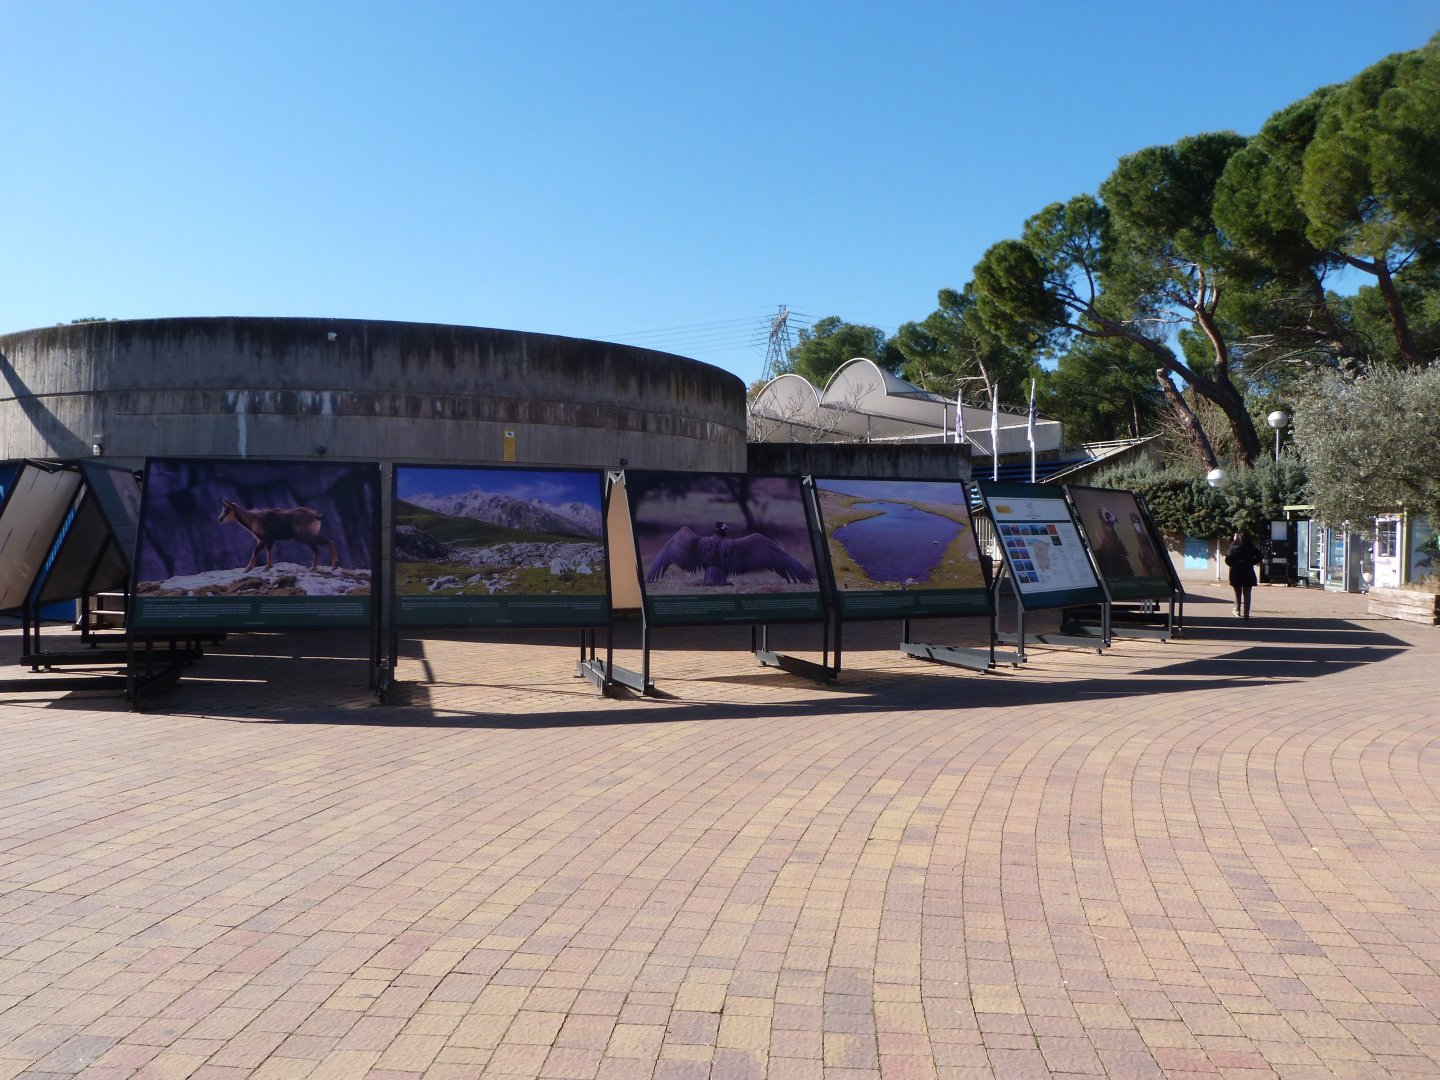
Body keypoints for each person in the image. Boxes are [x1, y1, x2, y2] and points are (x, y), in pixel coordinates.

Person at [1225, 530, 1262, 618]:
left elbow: (1227, 559)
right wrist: (1251, 563)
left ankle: (1237, 610)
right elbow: (1260, 556)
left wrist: (1234, 565)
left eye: (1235, 535)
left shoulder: (1232, 546)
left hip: (1236, 572)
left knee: (1237, 593)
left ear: (1237, 536)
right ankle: (1246, 613)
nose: (1233, 537)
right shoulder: (1250, 546)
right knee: (1247, 593)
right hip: (1248, 572)